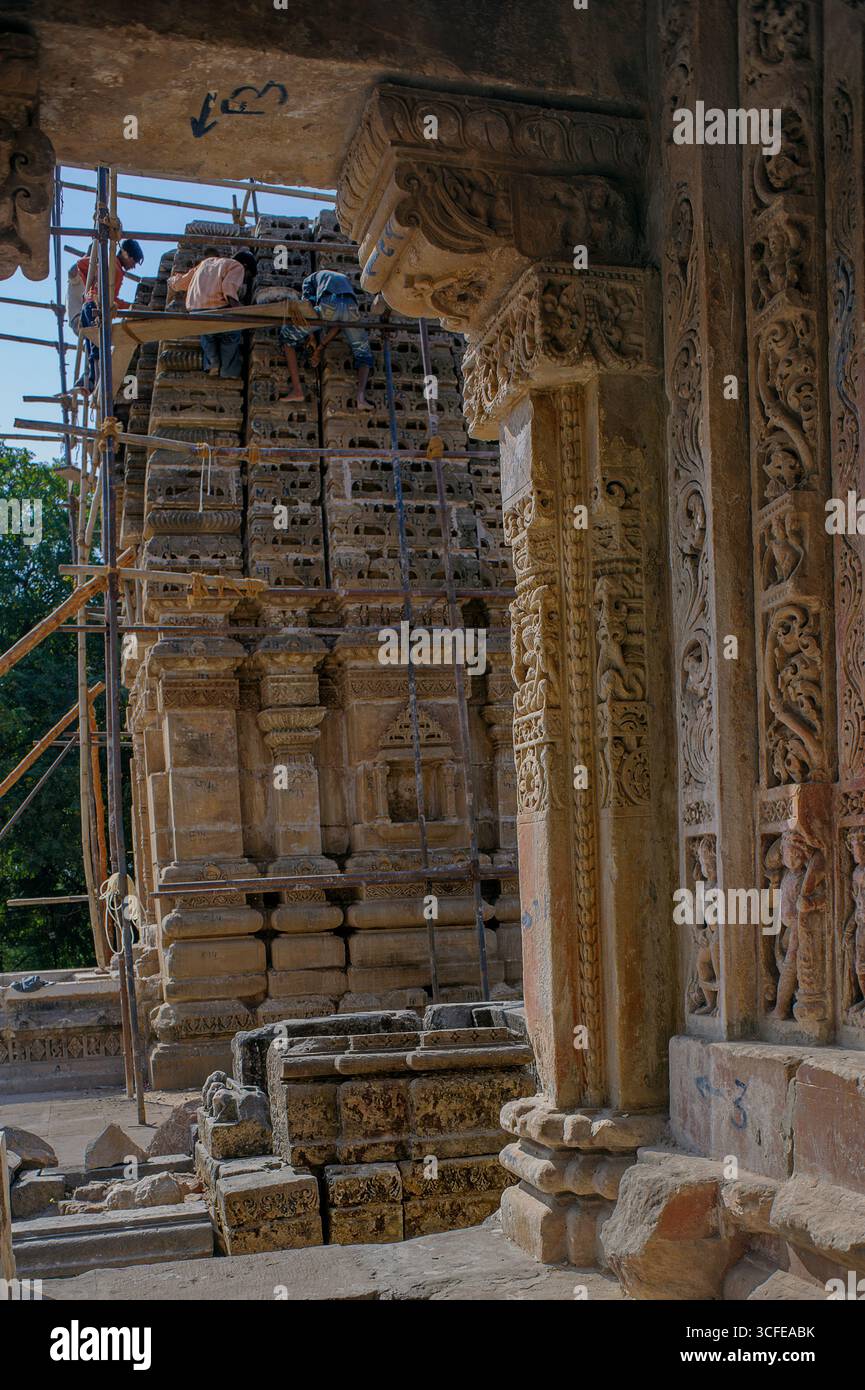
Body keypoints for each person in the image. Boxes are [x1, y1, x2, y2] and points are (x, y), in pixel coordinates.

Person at [278, 267, 373, 408]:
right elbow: (338, 324)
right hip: (351, 308)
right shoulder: (343, 278)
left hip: (329, 304)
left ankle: (297, 389)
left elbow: (307, 313)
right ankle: (360, 398)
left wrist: (311, 339)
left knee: (287, 337)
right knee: (363, 354)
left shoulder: (309, 280)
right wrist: (319, 348)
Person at [167, 250, 257, 378]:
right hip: (218, 308)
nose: (243, 281)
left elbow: (181, 283)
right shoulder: (237, 266)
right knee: (232, 335)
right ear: (246, 266)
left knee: (207, 335)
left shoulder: (204, 264)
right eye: (246, 276)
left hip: (196, 311)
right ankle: (228, 371)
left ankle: (212, 364)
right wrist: (240, 312)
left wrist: (172, 281)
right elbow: (228, 288)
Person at [75, 237, 144, 391]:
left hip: (89, 305)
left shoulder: (109, 263)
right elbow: (110, 299)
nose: (133, 266)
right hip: (95, 307)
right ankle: (97, 383)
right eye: (133, 260)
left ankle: (88, 380)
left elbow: (81, 265)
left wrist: (91, 286)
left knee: (92, 345)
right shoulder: (114, 266)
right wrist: (131, 307)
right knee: (98, 346)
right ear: (126, 254)